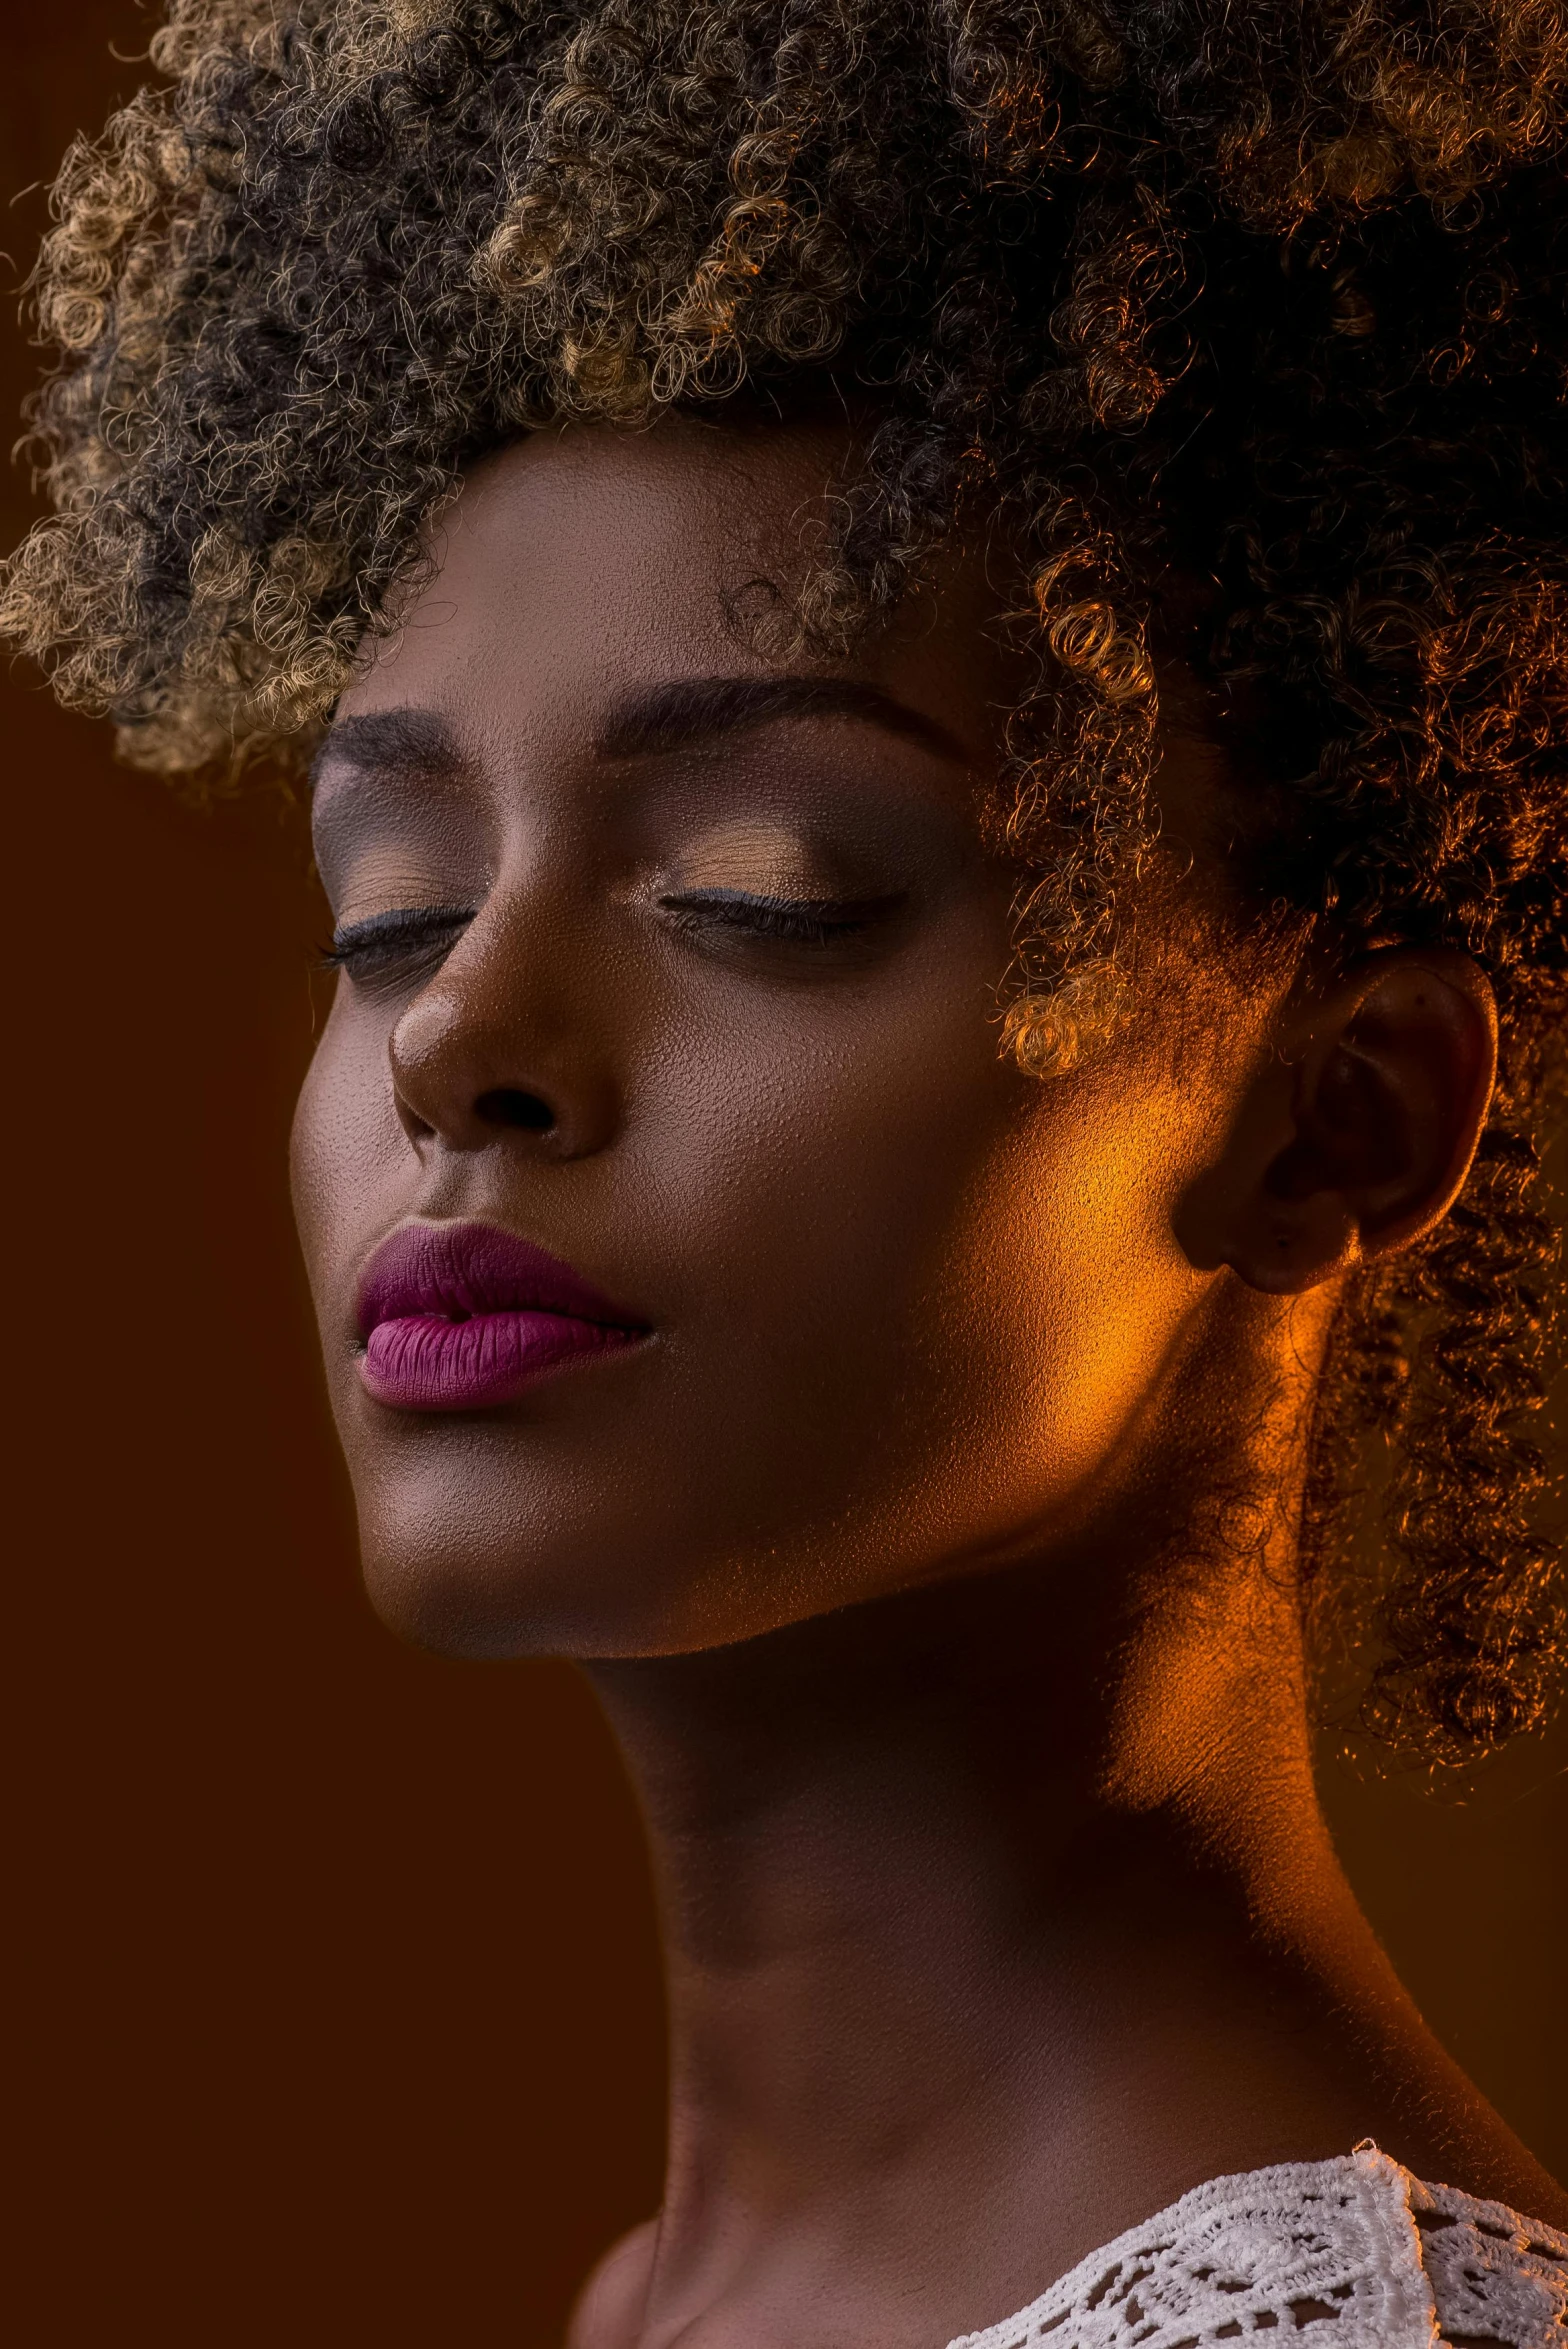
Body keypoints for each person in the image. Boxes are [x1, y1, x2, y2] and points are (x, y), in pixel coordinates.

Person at [5, 2, 1566, 2343]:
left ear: (1338, 1114)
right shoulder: (669, 2301)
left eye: (762, 885)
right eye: (391, 905)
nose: (452, 1035)